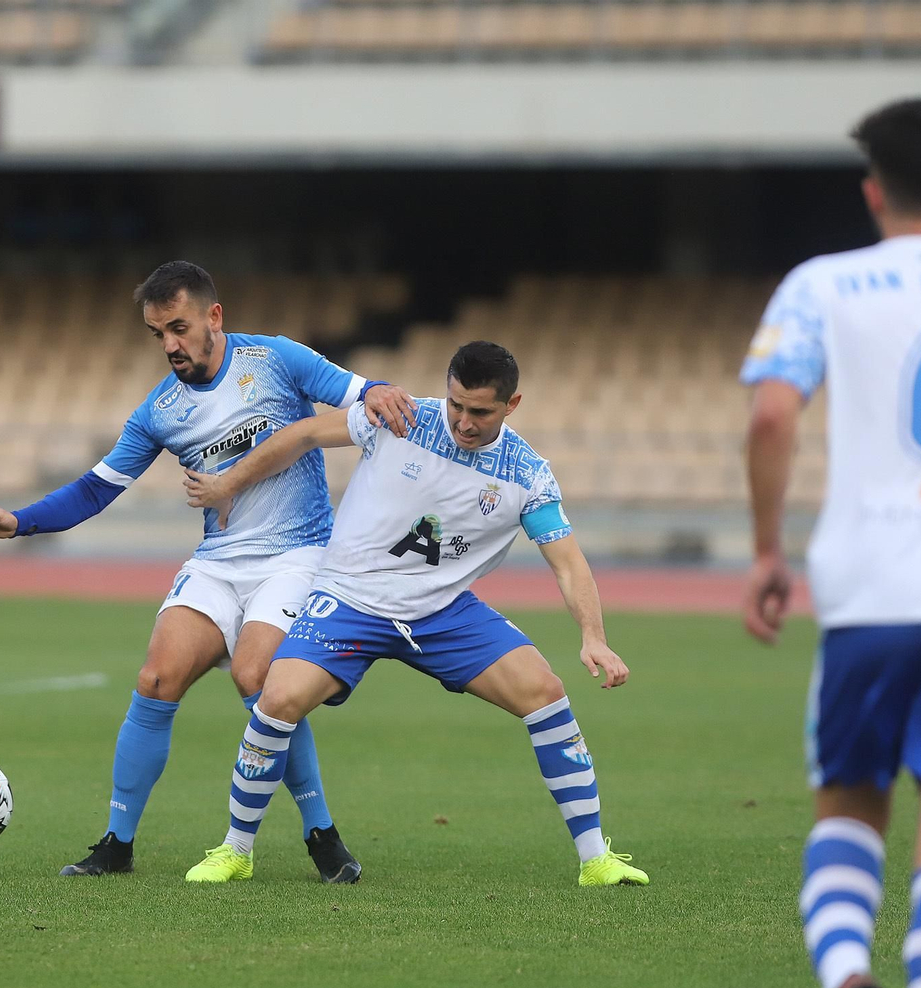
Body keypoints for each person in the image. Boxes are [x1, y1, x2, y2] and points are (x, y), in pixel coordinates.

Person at [0, 260, 416, 882]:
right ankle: (116, 846)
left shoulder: (276, 360)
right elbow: (97, 489)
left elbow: (358, 390)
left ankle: (322, 836)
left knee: (258, 679)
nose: (170, 345)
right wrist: (20, 522)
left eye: (178, 327)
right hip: (219, 561)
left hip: (296, 555)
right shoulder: (161, 410)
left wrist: (380, 388)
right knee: (156, 678)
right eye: (157, 334)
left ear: (214, 316)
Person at [181, 340, 648, 889]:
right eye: (456, 405)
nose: (464, 422)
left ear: (512, 405)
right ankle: (236, 850)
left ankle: (596, 861)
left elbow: (568, 565)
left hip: (441, 612)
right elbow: (307, 433)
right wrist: (230, 482)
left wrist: (594, 636)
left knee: (545, 692)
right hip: (350, 599)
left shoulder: (527, 474)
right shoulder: (399, 419)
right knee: (277, 698)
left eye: (480, 412)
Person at [743, 98, 921, 988]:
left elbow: (772, 416)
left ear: (872, 190)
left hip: (869, 591)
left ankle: (847, 970)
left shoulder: (824, 284)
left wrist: (768, 550)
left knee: (849, 805)